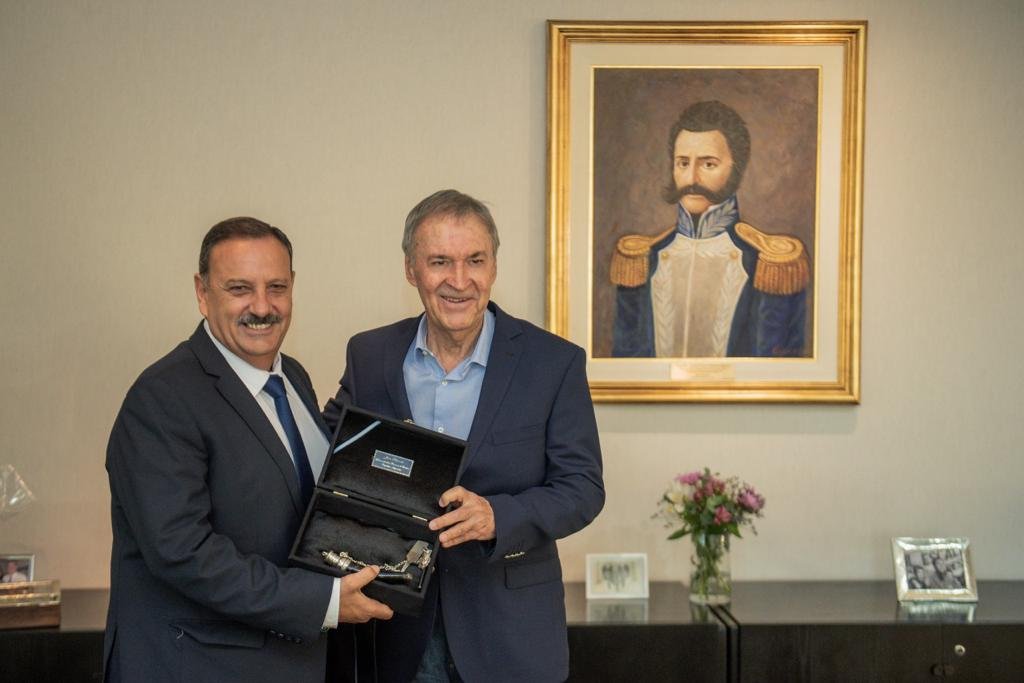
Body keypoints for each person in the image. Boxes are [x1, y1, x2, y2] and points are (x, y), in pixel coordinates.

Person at [324, 190, 605, 682]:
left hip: (510, 636)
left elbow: (583, 488)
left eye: (475, 260)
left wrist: (499, 516)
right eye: (440, 262)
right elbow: (329, 452)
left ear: (493, 266)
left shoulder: (553, 363)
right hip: (396, 633)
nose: (459, 280)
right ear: (411, 269)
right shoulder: (370, 355)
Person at [104, 217, 392, 683]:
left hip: (295, 661)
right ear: (202, 292)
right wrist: (323, 602)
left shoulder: (291, 376)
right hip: (201, 667)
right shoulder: (161, 398)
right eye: (239, 288)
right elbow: (182, 551)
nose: (262, 306)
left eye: (276, 287)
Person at [611, 100, 809, 358]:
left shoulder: (769, 264)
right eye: (683, 163)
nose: (691, 178)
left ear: (737, 168)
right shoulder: (641, 260)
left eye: (708, 164)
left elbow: (780, 368)